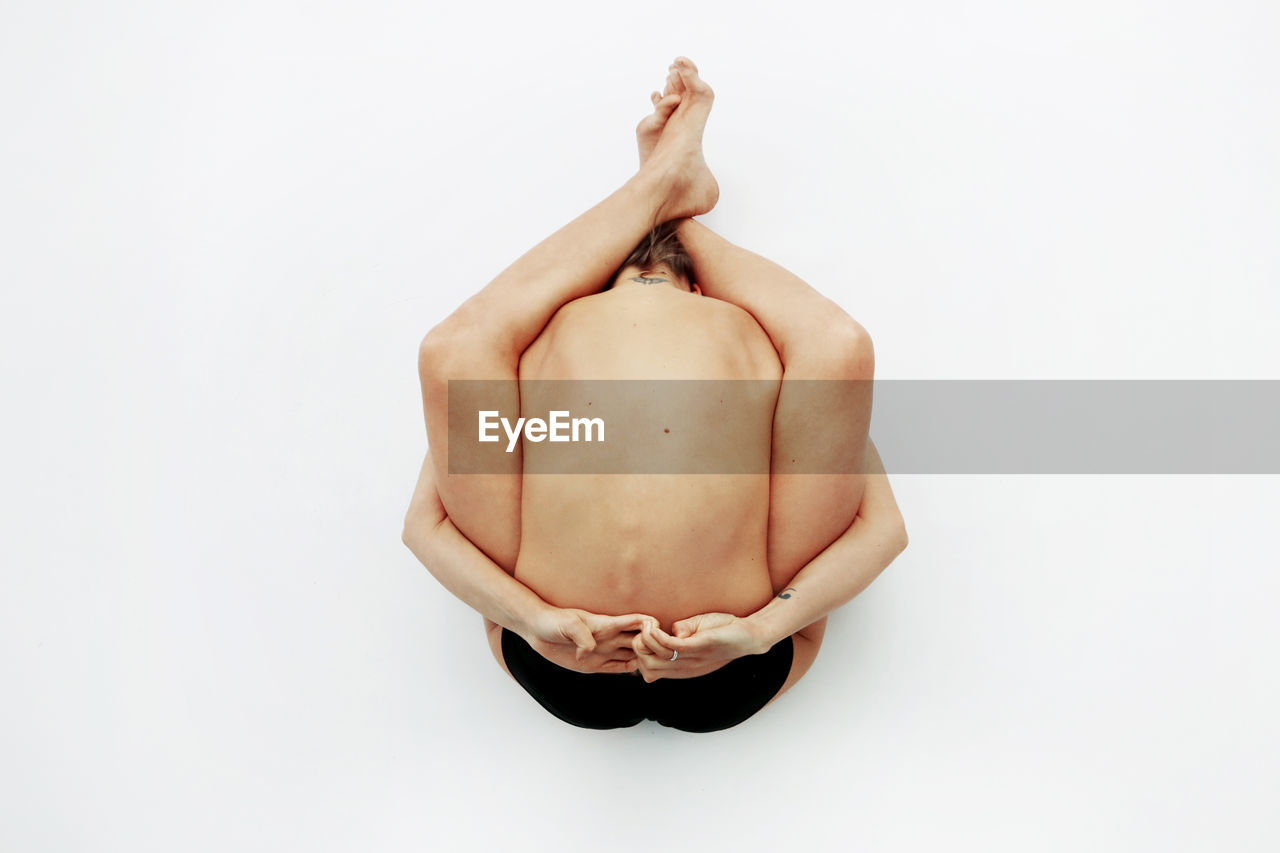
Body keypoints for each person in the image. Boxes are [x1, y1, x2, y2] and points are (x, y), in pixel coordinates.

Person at [402, 58, 908, 732]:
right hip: (552, 650)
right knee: (451, 358)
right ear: (587, 283)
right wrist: (533, 618)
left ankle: (670, 187)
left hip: (743, 652)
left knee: (843, 355)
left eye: (663, 267)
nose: (645, 275)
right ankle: (670, 184)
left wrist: (760, 630)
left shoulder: (752, 340)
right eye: (626, 269)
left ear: (703, 287)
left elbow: (883, 528)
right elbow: (424, 525)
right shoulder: (540, 349)